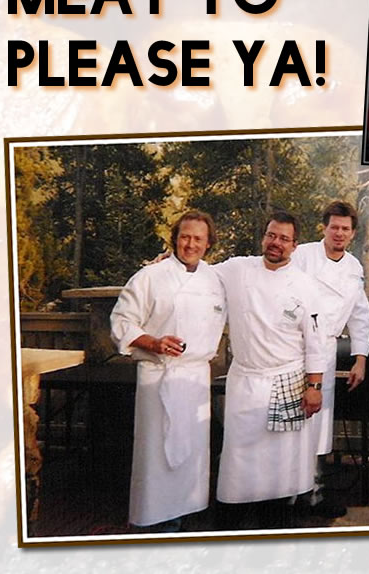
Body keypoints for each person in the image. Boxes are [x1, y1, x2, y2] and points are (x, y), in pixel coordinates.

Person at [110, 211, 227, 532]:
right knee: (157, 454)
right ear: (175, 238)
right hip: (159, 376)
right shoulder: (151, 277)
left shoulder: (215, 279)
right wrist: (155, 342)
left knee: (192, 455)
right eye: (185, 236)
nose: (190, 244)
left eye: (198, 239)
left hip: (195, 379)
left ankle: (189, 513)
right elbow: (122, 322)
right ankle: (154, 522)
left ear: (208, 244)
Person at [214, 211, 328, 529]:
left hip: (287, 380)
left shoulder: (306, 286)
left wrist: (314, 388)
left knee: (280, 465)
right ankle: (229, 524)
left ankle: (273, 524)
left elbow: (315, 341)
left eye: (283, 238)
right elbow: (199, 275)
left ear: (294, 245)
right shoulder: (237, 269)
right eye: (271, 235)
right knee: (237, 456)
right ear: (264, 237)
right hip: (245, 380)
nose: (275, 243)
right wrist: (169, 262)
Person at [290, 200, 369, 518]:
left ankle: (313, 493)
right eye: (334, 227)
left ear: (352, 234)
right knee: (292, 423)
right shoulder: (301, 255)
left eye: (345, 229)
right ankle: (284, 495)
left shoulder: (353, 268)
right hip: (294, 349)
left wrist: (360, 358)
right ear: (324, 228)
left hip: (324, 353)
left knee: (318, 424)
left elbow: (360, 315)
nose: (339, 233)